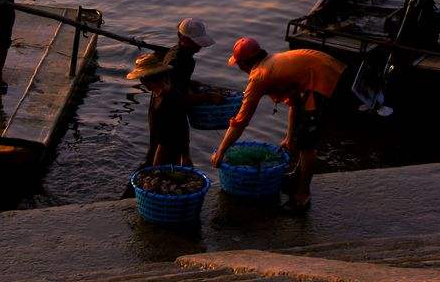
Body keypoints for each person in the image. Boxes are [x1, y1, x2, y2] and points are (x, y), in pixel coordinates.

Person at [210, 39, 347, 213]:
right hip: (327, 68)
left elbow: (241, 121)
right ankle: (297, 177)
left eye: (239, 65)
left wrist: (221, 151)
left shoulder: (259, 76)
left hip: (328, 79)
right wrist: (289, 137)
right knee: (301, 136)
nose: (240, 68)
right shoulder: (274, 62)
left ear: (244, 63)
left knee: (306, 143)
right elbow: (295, 102)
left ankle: (302, 195)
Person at [123, 53, 192, 197]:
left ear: (144, 79)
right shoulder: (158, 93)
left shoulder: (167, 100)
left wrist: (155, 169)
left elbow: (165, 140)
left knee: (150, 191)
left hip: (166, 155)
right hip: (158, 151)